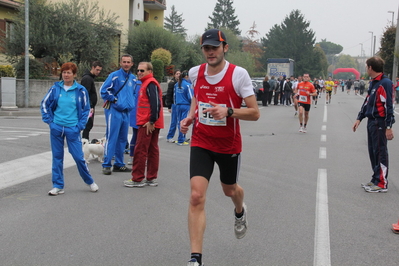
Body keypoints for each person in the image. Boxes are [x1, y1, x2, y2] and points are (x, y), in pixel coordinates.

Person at [180, 29, 260, 266]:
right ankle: (196, 258)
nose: (210, 52)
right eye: (206, 48)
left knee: (230, 190)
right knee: (196, 196)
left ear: (225, 48)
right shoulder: (195, 73)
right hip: (202, 140)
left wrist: (229, 111)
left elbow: (255, 113)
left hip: (228, 145)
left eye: (215, 47)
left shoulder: (239, 75)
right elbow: (197, 98)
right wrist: (190, 116)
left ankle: (239, 211)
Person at [41, 62, 99, 196]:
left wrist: (79, 126)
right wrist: (50, 122)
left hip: (72, 129)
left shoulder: (80, 90)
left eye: (69, 72)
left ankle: (90, 181)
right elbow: (44, 104)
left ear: (74, 75)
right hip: (56, 128)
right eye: (64, 72)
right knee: (57, 157)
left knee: (79, 157)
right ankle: (58, 185)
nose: (66, 75)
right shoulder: (55, 89)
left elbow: (86, 110)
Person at [353, 56, 395, 193]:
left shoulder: (385, 83)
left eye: (367, 66)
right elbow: (367, 102)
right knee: (373, 151)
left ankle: (382, 182)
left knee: (380, 151)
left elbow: (389, 105)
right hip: (372, 122)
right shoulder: (373, 83)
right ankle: (376, 178)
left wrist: (389, 126)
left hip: (380, 122)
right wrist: (360, 117)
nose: (366, 68)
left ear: (370, 68)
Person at [123, 62, 164, 188]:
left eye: (142, 70)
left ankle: (137, 178)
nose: (139, 72)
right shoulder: (148, 83)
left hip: (147, 123)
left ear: (149, 71)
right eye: (138, 70)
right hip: (150, 122)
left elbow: (155, 103)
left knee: (140, 150)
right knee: (152, 150)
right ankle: (151, 178)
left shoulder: (150, 83)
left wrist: (151, 121)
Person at [100, 54, 136, 175]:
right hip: (114, 111)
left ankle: (119, 164)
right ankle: (106, 164)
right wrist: (115, 100)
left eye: (128, 62)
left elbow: (134, 93)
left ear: (132, 64)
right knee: (112, 137)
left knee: (122, 139)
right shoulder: (114, 76)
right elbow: (103, 90)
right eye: (124, 62)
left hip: (126, 112)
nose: (126, 64)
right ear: (120, 63)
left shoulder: (133, 78)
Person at [80, 61, 102, 140]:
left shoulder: (90, 78)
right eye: (97, 70)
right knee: (88, 124)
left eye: (99, 70)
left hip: (90, 106)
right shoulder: (87, 78)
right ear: (93, 67)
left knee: (89, 124)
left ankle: (85, 139)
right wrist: (90, 106)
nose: (98, 72)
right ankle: (85, 140)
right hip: (88, 107)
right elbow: (86, 94)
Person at [174, 70, 193, 145]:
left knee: (179, 122)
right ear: (187, 76)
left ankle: (181, 138)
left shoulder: (176, 84)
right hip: (185, 105)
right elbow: (191, 97)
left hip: (178, 105)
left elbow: (174, 95)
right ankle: (181, 139)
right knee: (184, 122)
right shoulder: (188, 85)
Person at [165, 69, 181, 143]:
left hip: (180, 104)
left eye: (179, 74)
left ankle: (181, 137)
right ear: (174, 75)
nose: (178, 75)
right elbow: (169, 95)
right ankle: (170, 136)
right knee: (174, 122)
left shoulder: (182, 83)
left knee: (181, 122)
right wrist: (169, 106)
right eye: (177, 73)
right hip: (174, 104)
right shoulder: (172, 83)